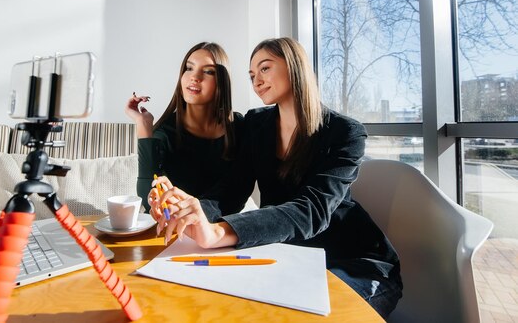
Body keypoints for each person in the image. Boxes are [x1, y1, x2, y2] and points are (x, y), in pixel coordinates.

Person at [150, 37, 403, 318]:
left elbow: (311, 212)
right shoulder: (257, 124)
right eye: (251, 75)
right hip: (293, 261)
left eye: (265, 68)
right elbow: (232, 191)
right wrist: (188, 209)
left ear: (294, 67)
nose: (257, 80)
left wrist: (219, 231)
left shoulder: (345, 132)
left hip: (355, 264)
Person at [125, 42, 243, 211]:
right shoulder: (165, 134)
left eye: (209, 71)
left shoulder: (238, 127)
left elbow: (237, 193)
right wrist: (144, 126)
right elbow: (148, 200)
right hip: (180, 227)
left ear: (222, 82)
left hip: (224, 227)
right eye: (189, 68)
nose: (195, 77)